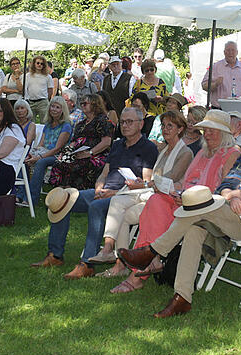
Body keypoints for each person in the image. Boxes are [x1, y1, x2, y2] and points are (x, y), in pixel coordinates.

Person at [119, 111, 241, 317]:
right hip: (228, 209)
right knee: (194, 230)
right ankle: (182, 298)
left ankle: (152, 251)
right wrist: (233, 195)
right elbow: (227, 184)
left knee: (200, 201)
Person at [102, 110, 238, 292]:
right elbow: (185, 181)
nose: (209, 134)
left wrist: (190, 198)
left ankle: (138, 274)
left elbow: (225, 190)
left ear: (225, 134)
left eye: (214, 130)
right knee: (156, 201)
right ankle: (154, 260)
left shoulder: (231, 153)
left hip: (206, 207)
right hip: (183, 200)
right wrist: (174, 190)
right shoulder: (202, 153)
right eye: (206, 130)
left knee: (156, 207)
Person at [31, 106, 158, 277]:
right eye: (123, 122)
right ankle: (55, 255)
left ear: (141, 124)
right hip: (103, 191)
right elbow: (104, 172)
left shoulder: (148, 148)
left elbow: (145, 183)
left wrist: (112, 193)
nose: (125, 125)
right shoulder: (118, 144)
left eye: (130, 122)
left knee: (96, 207)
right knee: (63, 199)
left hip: (123, 196)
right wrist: (99, 187)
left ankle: (87, 263)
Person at [89, 110, 194, 283]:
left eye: (170, 126)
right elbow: (155, 179)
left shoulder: (185, 153)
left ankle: (110, 251)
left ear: (180, 129)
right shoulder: (164, 149)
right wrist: (144, 182)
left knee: (117, 203)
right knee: (120, 211)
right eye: (163, 125)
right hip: (151, 193)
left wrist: (144, 184)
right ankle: (120, 263)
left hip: (164, 200)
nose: (165, 129)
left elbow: (169, 180)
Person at [49, 93, 114, 190]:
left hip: (97, 155)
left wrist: (89, 153)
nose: (82, 105)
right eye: (81, 103)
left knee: (76, 166)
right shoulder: (81, 124)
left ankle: (73, 192)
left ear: (94, 104)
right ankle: (62, 194)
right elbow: (74, 142)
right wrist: (65, 153)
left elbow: (106, 142)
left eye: (85, 103)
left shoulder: (103, 121)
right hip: (78, 154)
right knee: (59, 163)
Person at [26, 96, 73, 207]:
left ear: (63, 110)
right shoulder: (48, 125)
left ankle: (32, 199)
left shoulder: (66, 125)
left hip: (59, 155)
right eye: (52, 106)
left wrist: (39, 157)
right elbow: (41, 144)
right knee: (25, 158)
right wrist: (32, 154)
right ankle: (21, 194)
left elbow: (57, 148)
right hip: (44, 152)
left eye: (58, 107)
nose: (54, 109)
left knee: (40, 163)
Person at [201, 41, 241, 110]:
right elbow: (204, 86)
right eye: (228, 50)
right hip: (219, 109)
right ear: (224, 52)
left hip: (240, 109)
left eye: (233, 50)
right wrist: (215, 84)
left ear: (237, 52)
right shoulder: (216, 67)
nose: (230, 53)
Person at [24, 55, 54, 123]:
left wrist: (46, 99)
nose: (39, 65)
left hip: (43, 102)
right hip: (30, 102)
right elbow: (25, 89)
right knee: (30, 123)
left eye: (41, 63)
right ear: (34, 64)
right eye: (37, 63)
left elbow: (50, 90)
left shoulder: (48, 76)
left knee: (45, 122)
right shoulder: (28, 76)